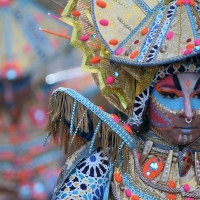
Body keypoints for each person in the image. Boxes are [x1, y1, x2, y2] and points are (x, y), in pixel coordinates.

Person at [44, 0, 200, 199]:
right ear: (143, 100)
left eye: (198, 97)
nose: (188, 113)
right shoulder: (106, 161)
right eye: (170, 95)